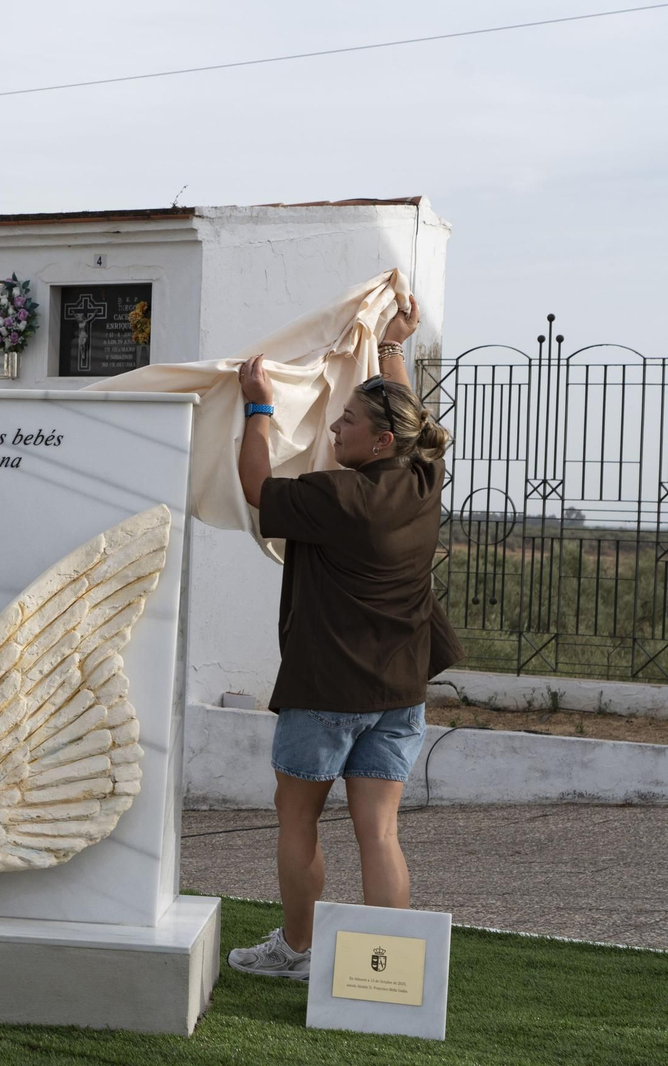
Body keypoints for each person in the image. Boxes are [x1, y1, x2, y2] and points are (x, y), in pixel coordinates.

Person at [227, 297, 463, 980]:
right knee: (379, 833)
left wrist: (258, 407)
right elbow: (410, 418)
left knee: (297, 824)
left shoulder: (338, 497)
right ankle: (385, 976)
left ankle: (297, 954)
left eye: (348, 421)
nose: (335, 426)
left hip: (325, 690)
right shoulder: (423, 480)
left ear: (380, 442)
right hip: (399, 693)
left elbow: (255, 487)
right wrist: (392, 347)